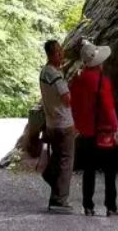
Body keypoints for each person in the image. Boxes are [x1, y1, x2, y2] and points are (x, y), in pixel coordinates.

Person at [70, 40, 118, 217]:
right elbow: (108, 107)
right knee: (109, 170)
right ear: (98, 62)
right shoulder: (102, 81)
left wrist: (77, 126)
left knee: (89, 170)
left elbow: (73, 105)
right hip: (103, 130)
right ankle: (111, 206)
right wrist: (116, 128)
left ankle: (88, 205)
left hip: (85, 132)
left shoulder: (77, 80)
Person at [39, 38, 75, 214]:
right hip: (63, 123)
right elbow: (66, 99)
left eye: (61, 51)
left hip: (51, 123)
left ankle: (55, 193)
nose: (62, 54)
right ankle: (60, 199)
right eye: (58, 52)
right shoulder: (56, 75)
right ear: (50, 54)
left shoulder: (44, 72)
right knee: (66, 161)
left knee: (57, 158)